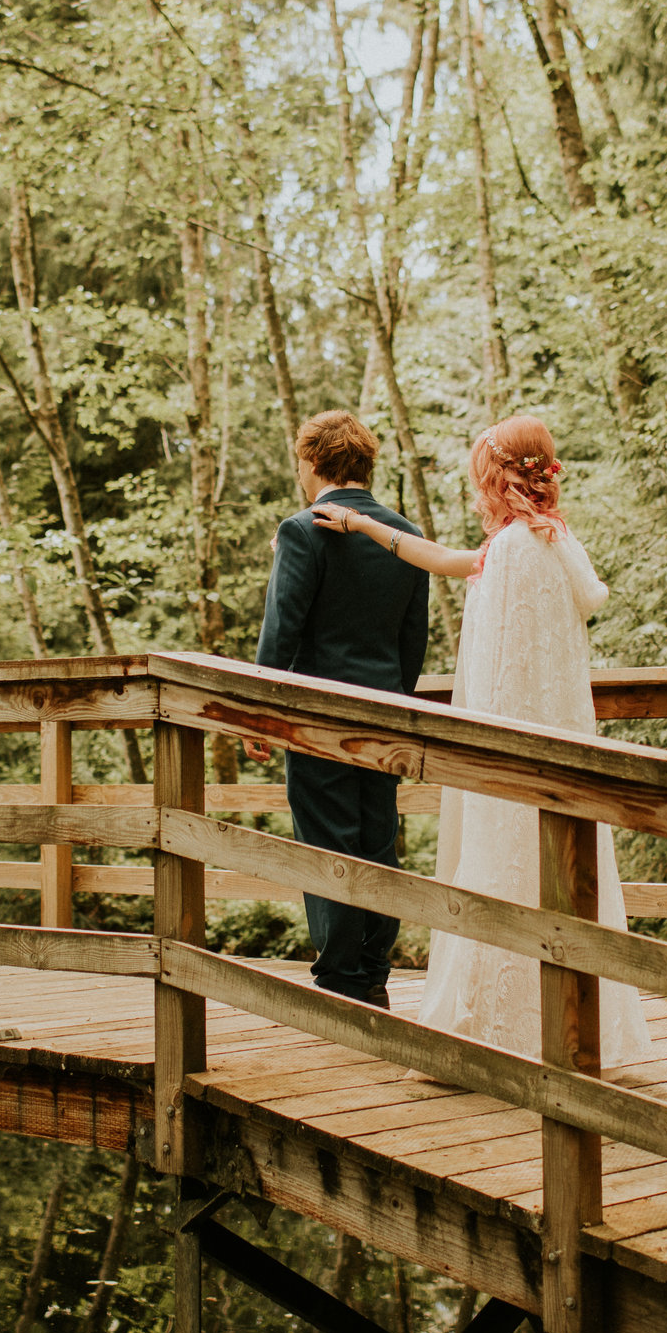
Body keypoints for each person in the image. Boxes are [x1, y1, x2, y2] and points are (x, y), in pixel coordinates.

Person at [311, 414, 655, 1069]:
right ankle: (573, 1029)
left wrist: (479, 752)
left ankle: (488, 1035)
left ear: (496, 479)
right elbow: (446, 560)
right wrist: (364, 525)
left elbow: (498, 664)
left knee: (500, 873)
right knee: (565, 881)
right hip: (567, 747)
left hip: (511, 750)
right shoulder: (548, 540)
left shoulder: (510, 555)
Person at [254, 410, 432, 1007]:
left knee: (329, 841)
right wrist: (394, 700)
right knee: (378, 840)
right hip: (385, 711)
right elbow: (413, 638)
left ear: (311, 463)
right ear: (366, 464)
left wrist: (256, 712)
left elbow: (281, 632)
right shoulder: (404, 535)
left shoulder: (304, 530)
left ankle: (340, 982)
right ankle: (372, 972)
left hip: (317, 717)